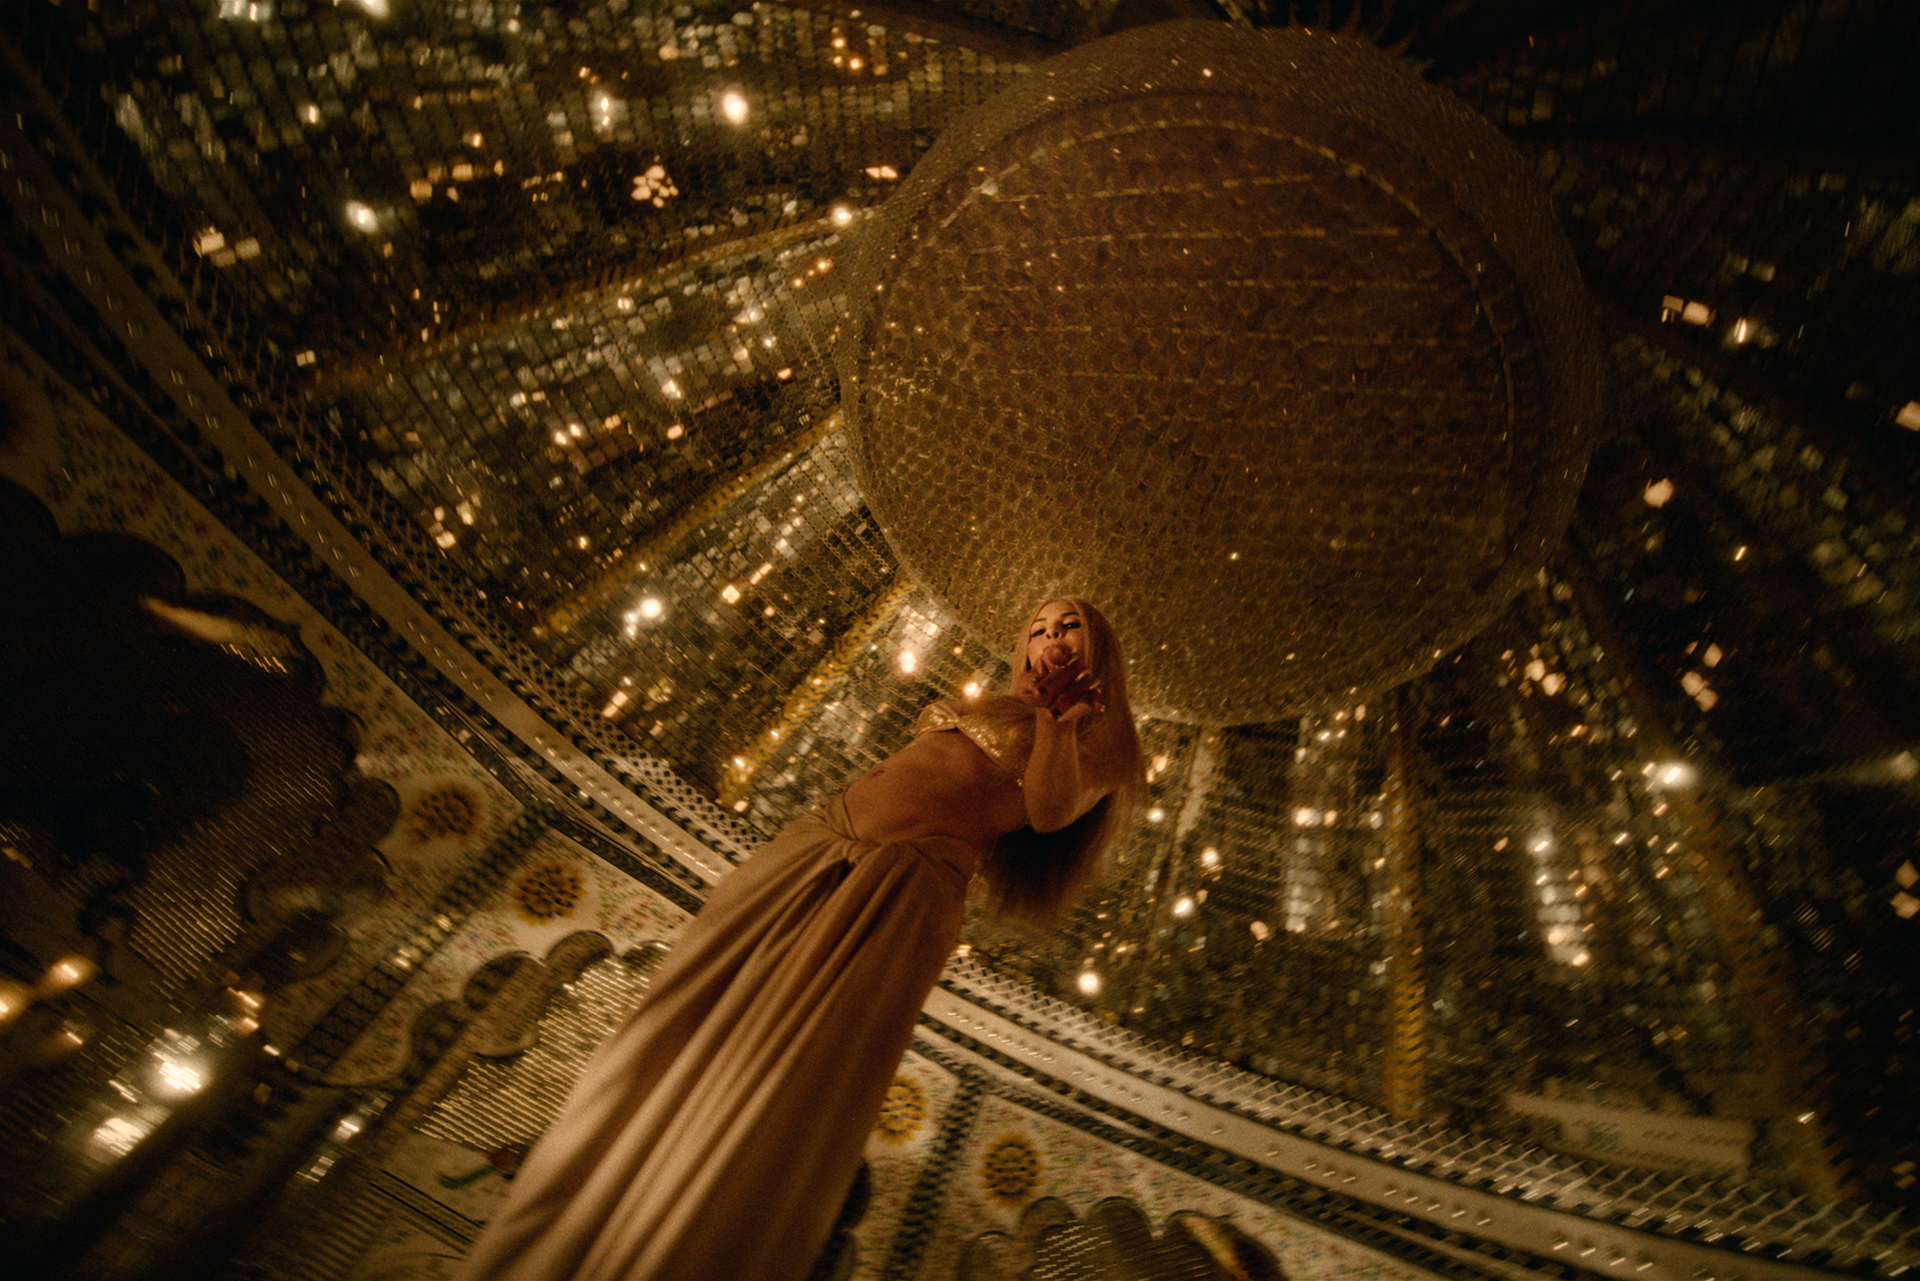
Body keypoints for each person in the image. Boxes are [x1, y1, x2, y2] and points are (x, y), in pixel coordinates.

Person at [453, 599, 1145, 1281]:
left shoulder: (1099, 742)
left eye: (1070, 627)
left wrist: (1057, 723)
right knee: (670, 1026)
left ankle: (662, 1243)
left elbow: (1049, 811)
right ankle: (564, 1226)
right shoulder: (995, 704)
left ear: (1098, 651)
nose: (1050, 638)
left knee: (771, 1077)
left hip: (888, 889)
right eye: (1038, 628)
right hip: (810, 849)